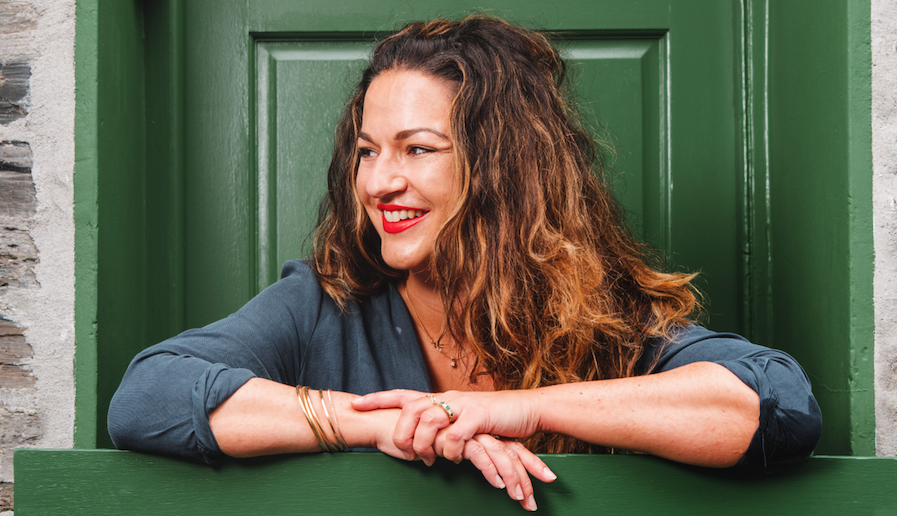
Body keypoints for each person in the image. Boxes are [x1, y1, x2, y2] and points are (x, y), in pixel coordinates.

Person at [108, 16, 821, 512]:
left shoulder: (600, 322)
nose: (378, 182)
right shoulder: (325, 303)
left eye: (417, 149)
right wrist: (380, 423)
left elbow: (774, 405)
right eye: (366, 150)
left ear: (503, 168)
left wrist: (505, 410)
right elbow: (149, 397)